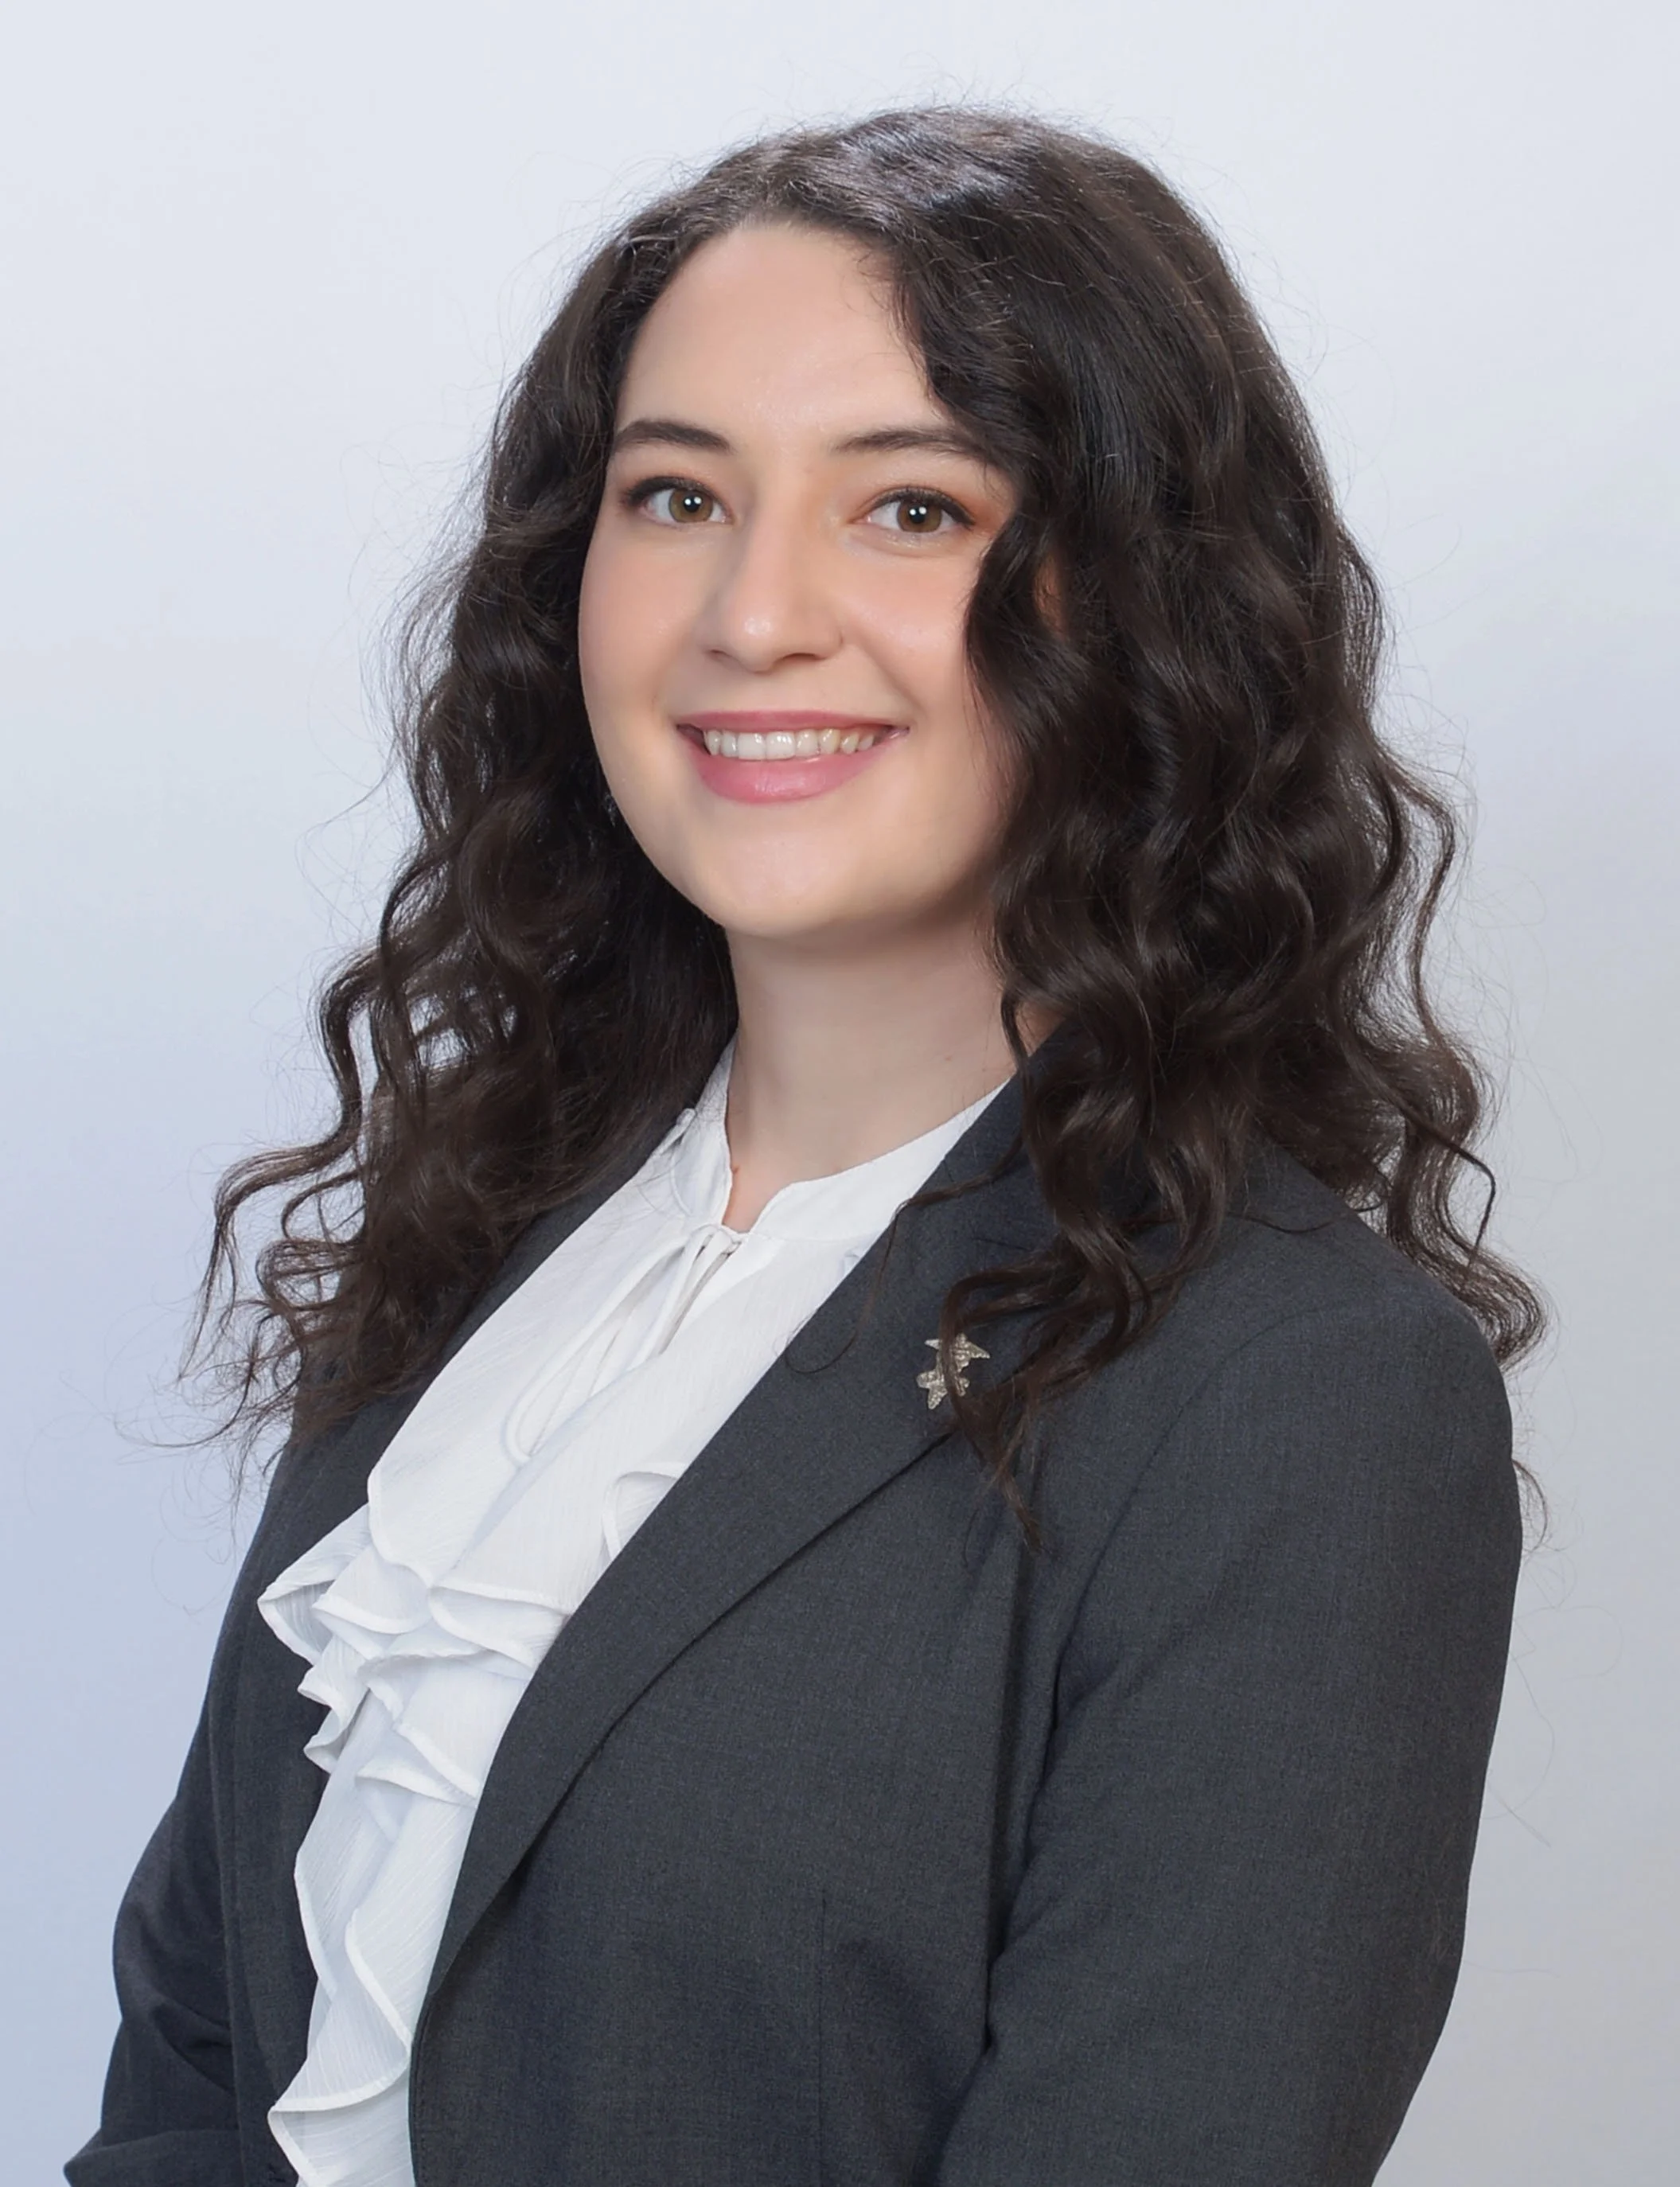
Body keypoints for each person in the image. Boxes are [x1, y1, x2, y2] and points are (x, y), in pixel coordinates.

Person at [68, 107, 1542, 2187]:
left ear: (1138, 611)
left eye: (908, 508)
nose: (752, 613)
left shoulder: (1289, 1396)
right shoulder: (498, 1238)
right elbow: (195, 2057)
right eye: (675, 492)